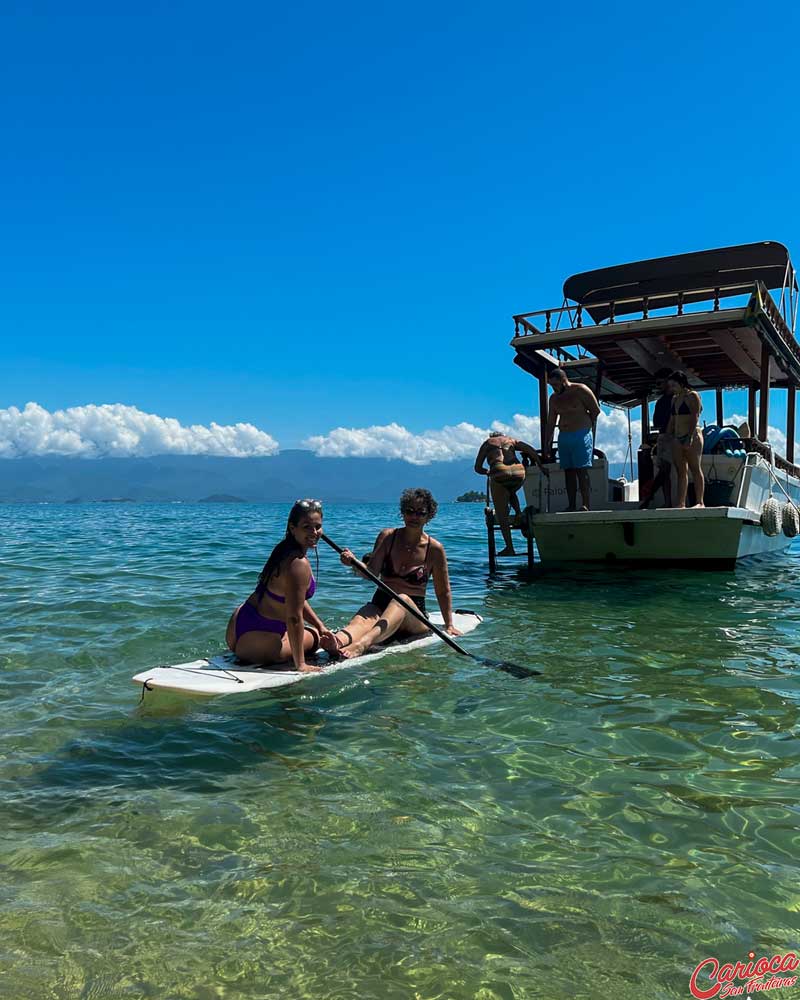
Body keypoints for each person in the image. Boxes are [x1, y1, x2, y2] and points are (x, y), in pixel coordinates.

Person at [324, 488, 461, 658]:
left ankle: (362, 645)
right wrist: (353, 563)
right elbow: (371, 573)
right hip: (380, 603)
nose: (414, 517)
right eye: (409, 511)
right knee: (360, 621)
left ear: (429, 516)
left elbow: (443, 591)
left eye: (420, 513)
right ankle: (335, 642)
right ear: (402, 512)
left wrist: (449, 625)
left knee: (401, 599)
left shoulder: (435, 549)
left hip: (413, 614)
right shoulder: (388, 537)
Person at [225, 499, 336, 671]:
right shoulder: (299, 563)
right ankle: (287, 655)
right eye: (307, 527)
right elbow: (293, 616)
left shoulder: (282, 550)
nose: (314, 532)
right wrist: (301, 665)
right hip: (257, 643)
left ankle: (270, 643)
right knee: (314, 639)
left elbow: (293, 599)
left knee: (315, 631)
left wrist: (320, 625)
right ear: (293, 528)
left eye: (318, 527)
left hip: (237, 627)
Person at [473, 430, 545, 556]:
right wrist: (540, 465)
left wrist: (488, 472)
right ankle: (518, 513)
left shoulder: (487, 443)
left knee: (502, 514)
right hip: (518, 472)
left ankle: (509, 547)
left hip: (499, 470)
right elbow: (530, 450)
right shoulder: (511, 440)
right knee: (510, 490)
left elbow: (477, 467)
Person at [544, 368, 601, 511]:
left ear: (564, 381)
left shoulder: (580, 390)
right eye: (551, 385)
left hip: (581, 434)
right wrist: (547, 444)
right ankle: (571, 504)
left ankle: (585, 504)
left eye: (556, 385)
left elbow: (595, 410)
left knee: (581, 470)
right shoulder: (554, 398)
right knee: (568, 471)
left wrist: (586, 424)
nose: (554, 388)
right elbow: (551, 422)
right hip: (564, 436)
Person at [667, 370, 704, 508]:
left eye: (674, 385)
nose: (672, 389)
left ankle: (700, 502)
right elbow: (672, 419)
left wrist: (689, 437)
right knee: (681, 471)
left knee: (695, 468)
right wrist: (667, 436)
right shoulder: (674, 399)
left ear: (681, 383)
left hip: (692, 435)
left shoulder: (692, 395)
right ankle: (680, 503)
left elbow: (695, 416)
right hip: (677, 436)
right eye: (670, 386)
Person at [639, 369, 674, 509]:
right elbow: (656, 422)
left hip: (672, 437)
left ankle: (650, 497)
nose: (658, 386)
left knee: (665, 471)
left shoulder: (673, 399)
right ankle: (666, 501)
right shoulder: (662, 402)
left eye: (660, 382)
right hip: (666, 437)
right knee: (664, 471)